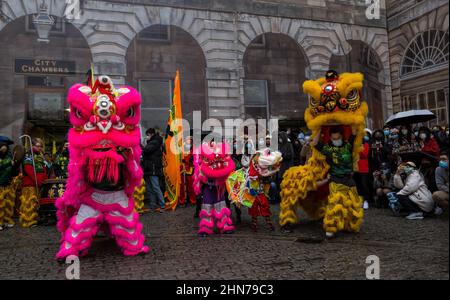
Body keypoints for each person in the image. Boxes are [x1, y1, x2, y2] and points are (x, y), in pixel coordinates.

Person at [312, 126, 363, 238]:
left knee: (353, 203)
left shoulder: (348, 145)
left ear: (341, 136)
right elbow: (315, 143)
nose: (336, 139)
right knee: (335, 203)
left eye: (338, 136)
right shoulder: (327, 148)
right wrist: (319, 127)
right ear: (330, 137)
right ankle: (331, 227)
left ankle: (350, 225)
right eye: (334, 137)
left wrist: (353, 119)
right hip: (335, 179)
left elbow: (355, 131)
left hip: (349, 179)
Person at [19, 138, 48, 228]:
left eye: (40, 146)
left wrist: (44, 179)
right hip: (30, 183)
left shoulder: (40, 156)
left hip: (39, 183)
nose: (39, 148)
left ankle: (35, 219)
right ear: (32, 146)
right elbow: (28, 169)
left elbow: (44, 168)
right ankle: (28, 221)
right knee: (29, 202)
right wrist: (37, 180)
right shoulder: (28, 155)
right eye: (37, 146)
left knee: (36, 203)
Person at [142, 128, 165, 213]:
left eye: (147, 135)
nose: (146, 137)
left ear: (151, 134)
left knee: (155, 187)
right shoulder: (152, 142)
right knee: (150, 188)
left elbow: (147, 150)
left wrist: (141, 145)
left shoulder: (155, 141)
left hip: (153, 168)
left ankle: (162, 205)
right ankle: (153, 205)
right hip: (148, 168)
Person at [0, 138, 20, 230]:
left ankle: (6, 220)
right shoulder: (5, 159)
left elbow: (14, 172)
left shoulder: (9, 157)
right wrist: (9, 163)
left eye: (5, 147)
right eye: (2, 147)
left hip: (8, 184)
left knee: (8, 204)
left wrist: (14, 165)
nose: (4, 149)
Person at [355, 129, 371, 210]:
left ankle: (366, 200)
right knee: (358, 185)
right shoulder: (355, 144)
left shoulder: (366, 144)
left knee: (364, 185)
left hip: (364, 168)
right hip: (356, 167)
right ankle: (360, 200)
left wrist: (358, 150)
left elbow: (364, 154)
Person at [179, 136, 196, 207]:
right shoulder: (182, 148)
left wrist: (187, 160)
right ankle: (183, 200)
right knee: (182, 186)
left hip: (190, 169)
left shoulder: (194, 149)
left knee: (191, 186)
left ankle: (192, 200)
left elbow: (194, 159)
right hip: (182, 169)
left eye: (190, 140)